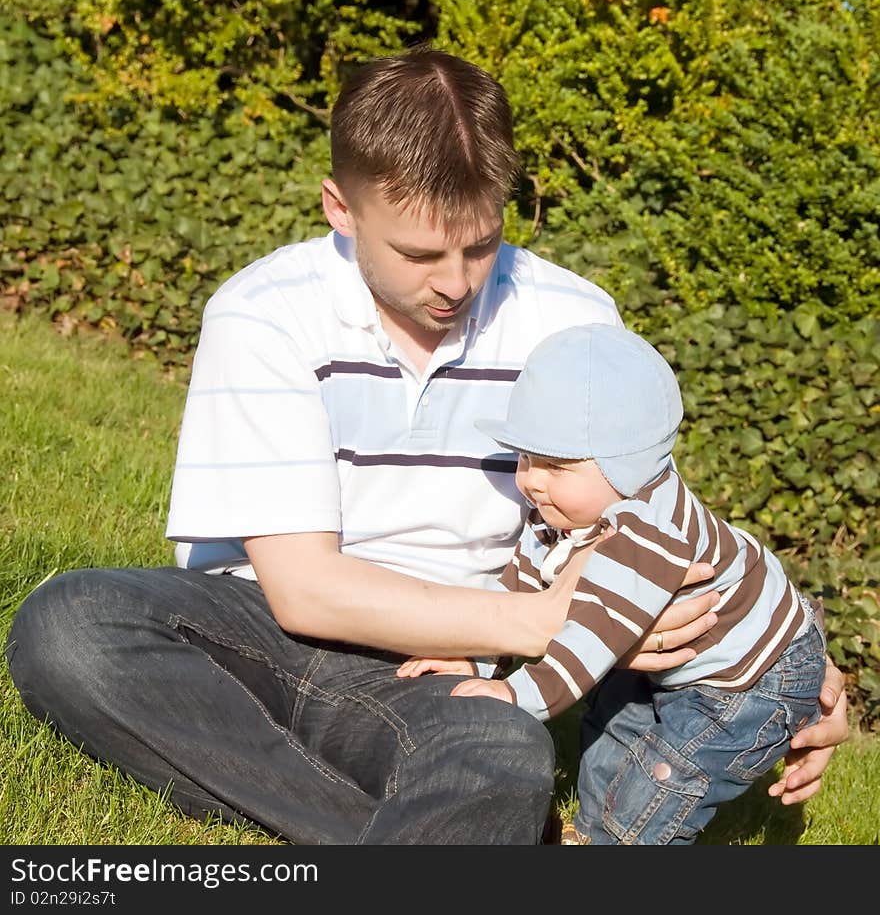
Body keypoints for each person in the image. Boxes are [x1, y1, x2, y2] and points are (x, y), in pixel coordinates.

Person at [5, 48, 847, 845]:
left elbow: (650, 520)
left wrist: (794, 667)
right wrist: (535, 620)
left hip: (442, 674)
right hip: (253, 636)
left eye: (480, 245)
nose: (453, 281)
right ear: (341, 208)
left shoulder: (573, 321)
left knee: (504, 756)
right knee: (70, 625)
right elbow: (303, 593)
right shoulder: (263, 311)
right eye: (418, 252)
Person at [398, 323, 828, 844]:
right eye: (526, 457)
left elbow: (589, 639)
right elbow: (518, 599)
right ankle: (592, 834)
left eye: (556, 465)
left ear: (627, 467)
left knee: (667, 777)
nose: (532, 479)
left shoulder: (647, 532)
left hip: (754, 679)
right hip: (681, 662)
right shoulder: (561, 515)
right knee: (611, 736)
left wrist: (513, 695)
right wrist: (477, 659)